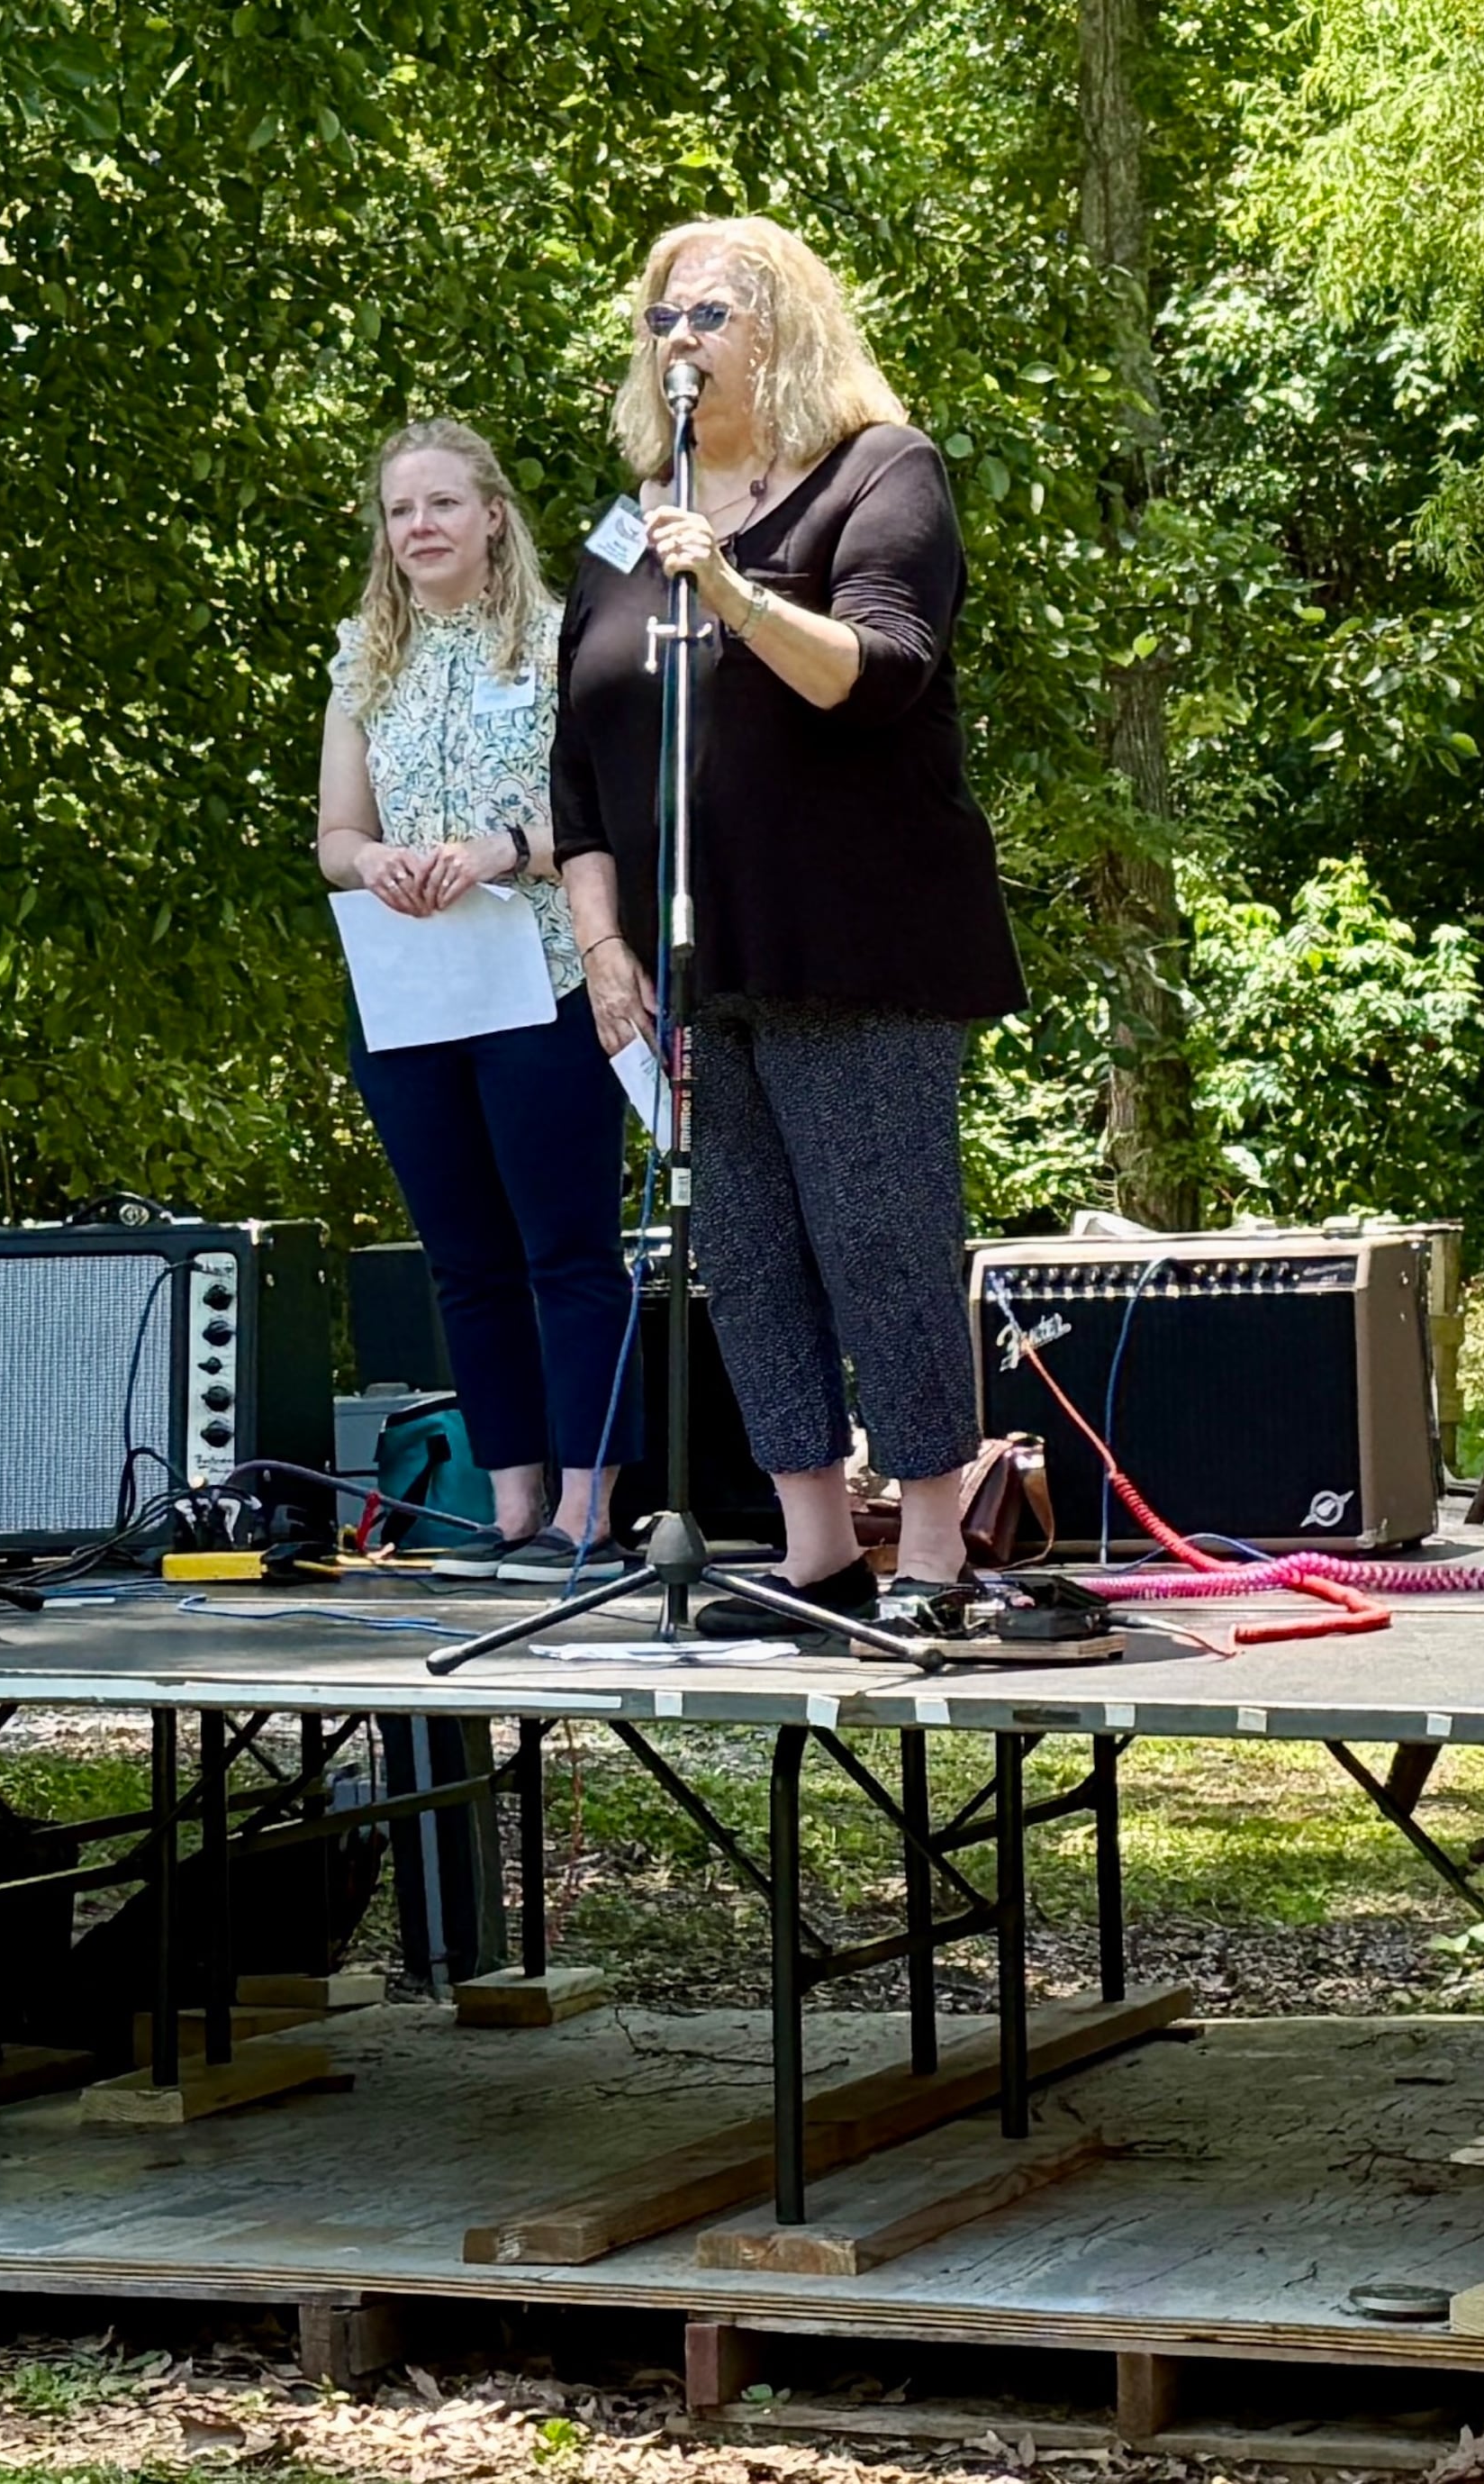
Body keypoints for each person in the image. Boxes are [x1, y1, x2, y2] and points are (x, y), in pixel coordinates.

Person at [548, 219, 1025, 1633]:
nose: (679, 338)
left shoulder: (885, 474)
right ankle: (815, 1550)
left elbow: (879, 674)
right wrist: (601, 940)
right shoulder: (639, 510)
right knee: (745, 1251)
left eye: (710, 311)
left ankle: (933, 1553)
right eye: (659, 318)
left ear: (785, 326)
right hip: (702, 959)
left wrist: (738, 592)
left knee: (881, 1236)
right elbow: (575, 751)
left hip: (858, 940)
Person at [316, 419, 641, 1581]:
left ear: (493, 514)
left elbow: (614, 814)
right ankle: (511, 1504)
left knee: (568, 1249)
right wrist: (378, 862)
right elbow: (335, 837)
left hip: (545, 975)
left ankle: (589, 1509)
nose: (421, 529)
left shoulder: (563, 643)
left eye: (443, 505)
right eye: (401, 512)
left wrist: (506, 846)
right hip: (412, 995)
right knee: (463, 1258)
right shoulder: (365, 658)